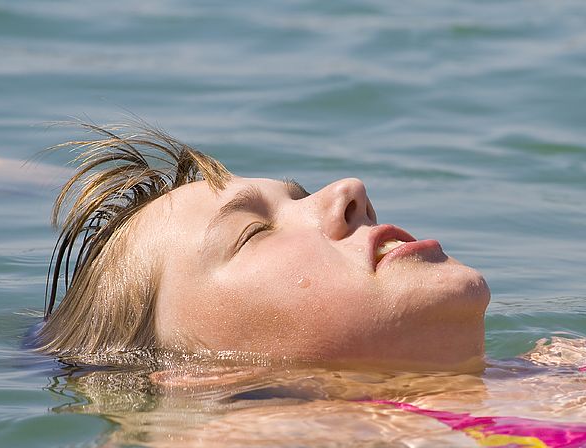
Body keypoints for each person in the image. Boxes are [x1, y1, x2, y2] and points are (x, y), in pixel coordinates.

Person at [36, 122, 490, 372]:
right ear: (198, 375)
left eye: (299, 196)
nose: (348, 190)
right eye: (255, 232)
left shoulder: (551, 370)